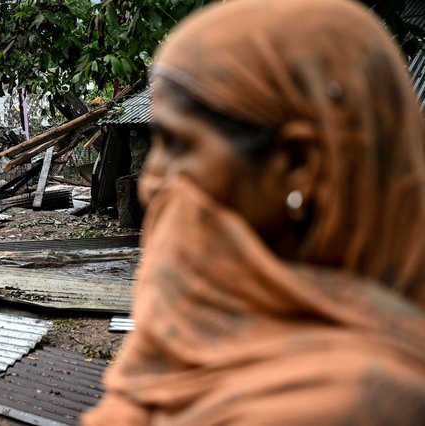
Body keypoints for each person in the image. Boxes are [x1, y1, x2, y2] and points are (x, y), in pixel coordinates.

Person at [82, 0, 425, 424]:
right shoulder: (199, 327)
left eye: (179, 145)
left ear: (299, 166)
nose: (151, 184)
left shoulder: (348, 404)